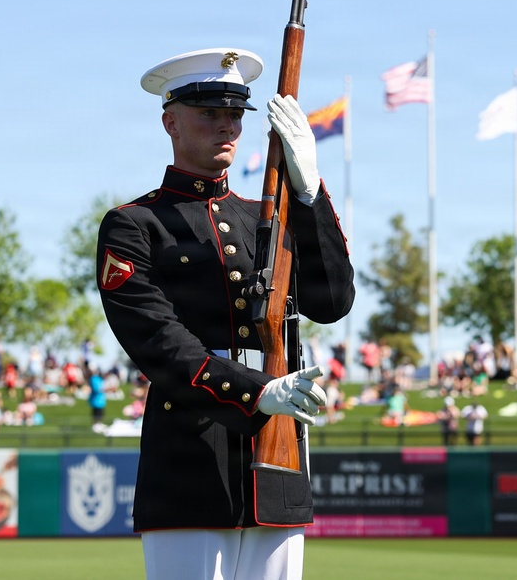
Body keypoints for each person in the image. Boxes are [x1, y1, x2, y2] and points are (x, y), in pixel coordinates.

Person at [96, 47, 354, 580]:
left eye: (235, 114)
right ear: (170, 122)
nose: (226, 127)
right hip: (191, 454)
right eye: (209, 114)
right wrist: (257, 391)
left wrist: (308, 195)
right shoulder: (135, 225)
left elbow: (332, 302)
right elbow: (157, 340)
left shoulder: (263, 215)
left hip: (278, 455)